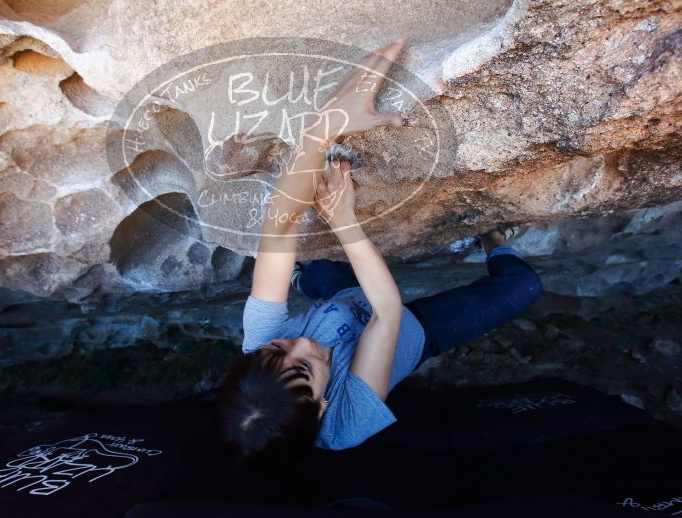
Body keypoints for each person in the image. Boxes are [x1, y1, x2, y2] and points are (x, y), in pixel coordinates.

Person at [214, 39, 542, 467]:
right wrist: (341, 219)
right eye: (304, 368)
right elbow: (387, 312)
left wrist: (322, 126)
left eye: (279, 349)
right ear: (322, 408)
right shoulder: (347, 423)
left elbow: (278, 229)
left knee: (318, 275)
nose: (302, 344)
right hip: (412, 330)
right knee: (523, 287)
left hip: (343, 298)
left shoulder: (258, 345)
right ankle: (493, 240)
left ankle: (300, 279)